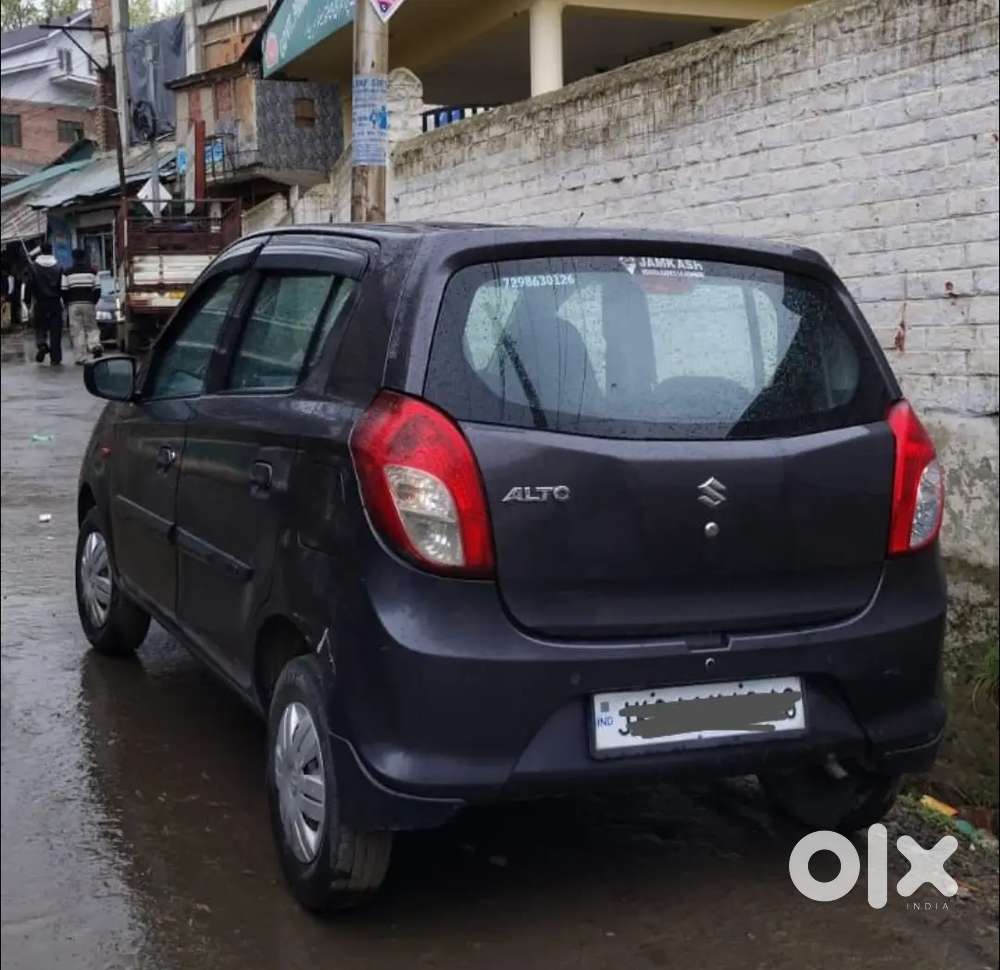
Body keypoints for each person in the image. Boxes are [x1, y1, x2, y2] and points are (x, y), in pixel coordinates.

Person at [24, 244, 64, 366]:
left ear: (40, 251)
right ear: (52, 251)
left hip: (40, 303)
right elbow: (62, 286)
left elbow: (29, 285)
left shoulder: (33, 267)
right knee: (55, 331)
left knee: (40, 327)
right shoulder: (59, 266)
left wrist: (27, 301)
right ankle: (55, 358)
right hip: (55, 303)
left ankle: (42, 345)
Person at [62, 248, 103, 364]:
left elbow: (64, 290)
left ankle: (81, 357)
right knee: (92, 327)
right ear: (84, 257)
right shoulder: (93, 272)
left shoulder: (67, 273)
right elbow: (98, 289)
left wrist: (67, 303)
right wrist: (93, 302)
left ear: (73, 258)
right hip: (89, 303)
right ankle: (95, 346)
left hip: (73, 305)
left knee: (77, 330)